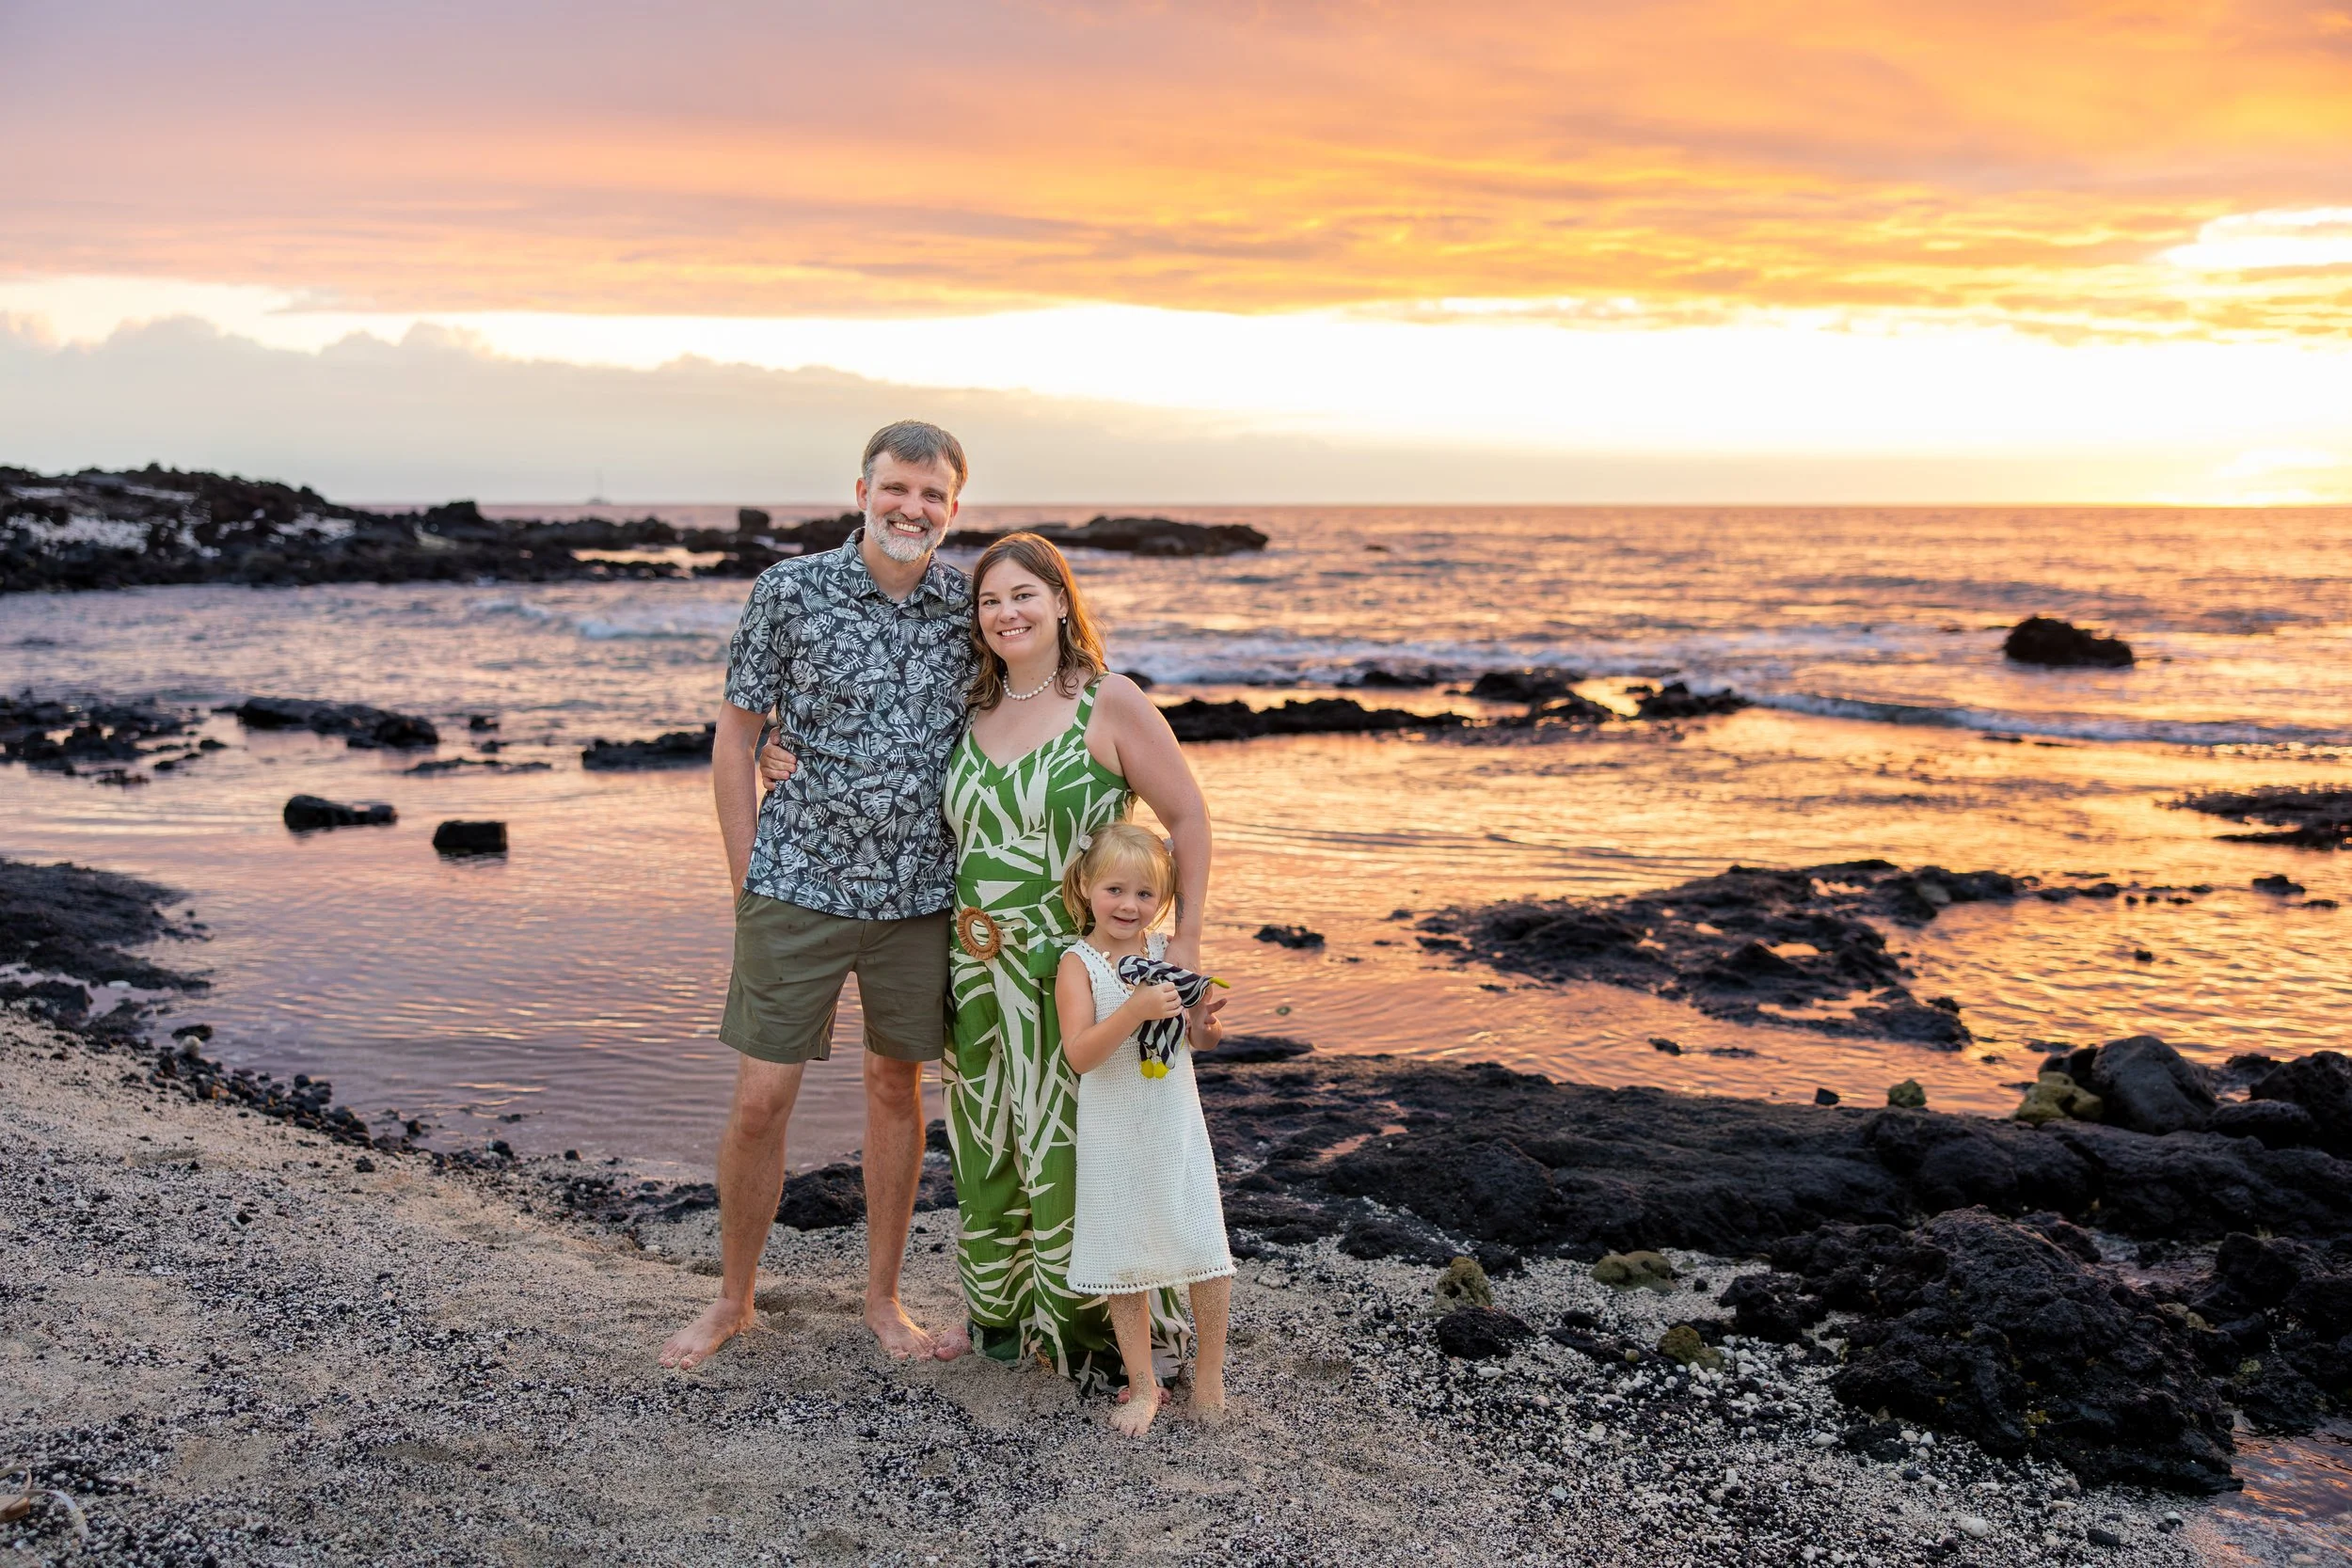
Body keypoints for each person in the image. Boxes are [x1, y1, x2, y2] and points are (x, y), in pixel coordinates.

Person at [759, 531, 1220, 1388]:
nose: (1006, 613)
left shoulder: (1108, 702)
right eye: (989, 601)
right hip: (974, 967)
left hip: (1072, 969)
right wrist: (772, 747)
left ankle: (1099, 1334)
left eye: (1023, 596)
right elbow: (865, 743)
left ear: (1059, 602)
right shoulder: (969, 708)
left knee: (1078, 1141)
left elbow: (1188, 818)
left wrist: (1184, 945)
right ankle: (1004, 1321)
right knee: (987, 1144)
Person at [659, 420, 977, 1371]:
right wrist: (746, 872)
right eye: (898, 488)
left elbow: (1027, 711)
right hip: (793, 884)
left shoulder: (969, 608)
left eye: (933, 495)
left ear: (954, 508)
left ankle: (883, 1302)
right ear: (863, 489)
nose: (912, 507)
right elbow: (733, 737)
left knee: (896, 1087)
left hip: (921, 893)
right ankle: (733, 1299)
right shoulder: (788, 592)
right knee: (762, 1097)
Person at [1056, 824, 1234, 1435]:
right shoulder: (1077, 965)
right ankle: (1145, 1382)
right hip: (1113, 1132)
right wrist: (1131, 1009)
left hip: (1173, 1124)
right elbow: (1079, 1054)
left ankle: (1208, 1375)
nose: (1128, 905)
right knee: (1123, 1255)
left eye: (1143, 893)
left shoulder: (1167, 955)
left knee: (1205, 1248)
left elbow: (1197, 1039)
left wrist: (1206, 1021)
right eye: (1114, 889)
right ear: (1085, 885)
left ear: (1160, 899)